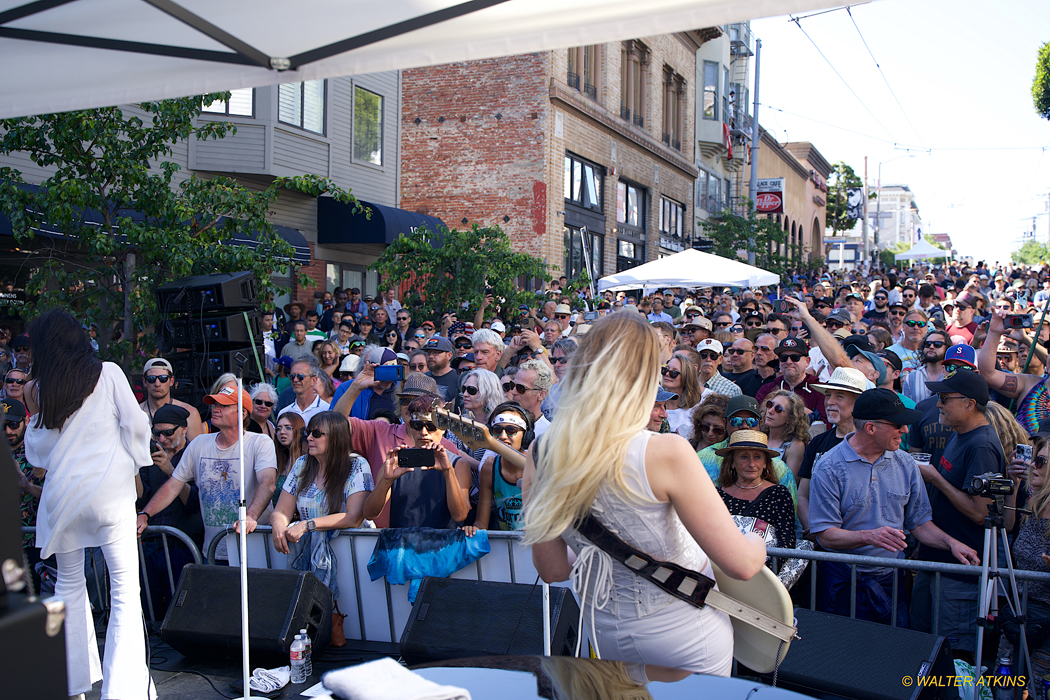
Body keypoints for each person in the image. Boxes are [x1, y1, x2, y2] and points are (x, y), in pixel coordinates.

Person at [525, 311, 767, 678]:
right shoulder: (665, 451)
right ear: (643, 375)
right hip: (683, 631)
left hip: (606, 630)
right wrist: (757, 539)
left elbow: (552, 568)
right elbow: (744, 564)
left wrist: (599, 548)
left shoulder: (540, 452)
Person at [24, 310, 155, 699]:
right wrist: (132, 460)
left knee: (67, 587)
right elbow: (136, 425)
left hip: (62, 499)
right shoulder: (109, 372)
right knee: (124, 592)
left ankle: (72, 686)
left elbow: (39, 454)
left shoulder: (37, 387)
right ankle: (122, 691)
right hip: (110, 496)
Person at [809, 388, 978, 626]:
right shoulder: (829, 467)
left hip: (892, 580)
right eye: (898, 425)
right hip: (843, 581)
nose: (905, 430)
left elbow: (919, 524)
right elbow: (825, 536)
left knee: (893, 654)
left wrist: (951, 544)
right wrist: (870, 536)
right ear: (871, 428)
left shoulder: (906, 463)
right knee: (846, 655)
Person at [911, 369, 1005, 659]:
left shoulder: (981, 444)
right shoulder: (960, 434)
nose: (938, 404)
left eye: (944, 398)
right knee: (923, 648)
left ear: (969, 404)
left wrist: (936, 479)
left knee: (953, 658)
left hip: (961, 572)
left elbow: (981, 514)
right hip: (937, 559)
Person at [137, 381, 278, 563]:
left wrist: (250, 517)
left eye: (224, 405)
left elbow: (268, 482)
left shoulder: (260, 442)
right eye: (215, 405)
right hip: (213, 551)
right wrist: (145, 514)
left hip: (253, 549)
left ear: (242, 413)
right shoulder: (200, 443)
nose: (215, 409)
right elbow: (173, 485)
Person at [270, 412, 373, 599]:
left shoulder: (357, 464)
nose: (309, 438)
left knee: (350, 616)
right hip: (312, 553)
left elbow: (354, 517)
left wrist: (308, 524)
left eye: (316, 434)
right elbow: (282, 510)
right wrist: (278, 524)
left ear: (335, 438)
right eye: (308, 432)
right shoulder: (302, 464)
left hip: (353, 558)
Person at [362, 394, 471, 528]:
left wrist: (448, 472)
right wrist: (386, 481)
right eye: (417, 425)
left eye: (431, 426)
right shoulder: (397, 462)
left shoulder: (457, 464)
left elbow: (460, 515)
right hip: (402, 544)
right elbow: (370, 514)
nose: (424, 432)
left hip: (444, 545)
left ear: (443, 429)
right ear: (409, 426)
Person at [136, 404, 202, 613]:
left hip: (183, 544)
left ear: (183, 429)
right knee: (150, 609)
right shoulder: (151, 455)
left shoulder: (195, 453)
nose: (162, 439)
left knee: (182, 609)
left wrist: (171, 471)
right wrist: (134, 468)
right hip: (153, 544)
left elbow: (193, 502)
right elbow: (141, 498)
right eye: (157, 433)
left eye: (167, 432)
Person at [796, 367, 867, 533]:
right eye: (828, 395)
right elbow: (802, 495)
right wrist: (815, 530)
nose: (829, 402)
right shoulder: (817, 443)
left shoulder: (870, 445)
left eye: (839, 396)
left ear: (858, 403)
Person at [715, 430, 797, 573]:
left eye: (757, 457)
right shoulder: (717, 495)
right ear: (732, 463)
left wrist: (762, 575)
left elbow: (787, 542)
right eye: (744, 457)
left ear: (765, 463)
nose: (752, 464)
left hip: (764, 575)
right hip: (722, 572)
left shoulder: (778, 495)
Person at [467, 402, 535, 532]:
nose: (503, 436)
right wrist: (472, 530)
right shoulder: (490, 468)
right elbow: (481, 522)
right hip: (505, 545)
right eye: (497, 430)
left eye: (511, 430)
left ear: (526, 436)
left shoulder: (539, 464)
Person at [13, 398, 47, 594]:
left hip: (35, 545)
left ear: (25, 422)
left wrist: (25, 486)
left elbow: (55, 498)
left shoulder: (38, 454)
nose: (8, 431)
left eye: (12, 424)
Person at [755, 337, 828, 423]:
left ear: (807, 361)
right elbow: (758, 422)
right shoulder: (767, 390)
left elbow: (825, 426)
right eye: (783, 357)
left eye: (795, 357)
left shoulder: (820, 390)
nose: (788, 362)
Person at [138, 357, 204, 441]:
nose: (157, 384)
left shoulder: (190, 413)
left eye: (163, 378)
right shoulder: (136, 412)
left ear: (171, 381)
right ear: (144, 382)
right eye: (151, 379)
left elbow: (196, 451)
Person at [761, 391, 810, 478]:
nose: (770, 411)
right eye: (770, 404)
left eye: (778, 409)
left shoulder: (795, 446)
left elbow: (790, 484)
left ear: (791, 418)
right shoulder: (759, 436)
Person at [661, 352, 706, 437]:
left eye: (674, 373)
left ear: (686, 377)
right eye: (665, 370)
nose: (667, 374)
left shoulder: (697, 409)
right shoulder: (653, 403)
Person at [902, 329, 949, 405]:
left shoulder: (952, 376)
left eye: (937, 344)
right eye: (928, 344)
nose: (931, 347)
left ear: (947, 348)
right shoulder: (911, 378)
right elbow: (906, 407)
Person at [507, 359, 553, 436]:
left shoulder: (548, 434)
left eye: (520, 388)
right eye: (512, 385)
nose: (513, 392)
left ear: (541, 395)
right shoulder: (501, 426)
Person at [279, 357, 331, 422]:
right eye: (292, 376)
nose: (295, 380)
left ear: (313, 380)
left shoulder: (327, 410)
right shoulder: (284, 413)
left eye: (300, 376)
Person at [273, 412, 307, 505]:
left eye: (288, 427)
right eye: (278, 428)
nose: (282, 432)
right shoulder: (276, 459)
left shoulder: (306, 461)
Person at [886, 310, 927, 375]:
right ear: (903, 326)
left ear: (926, 328)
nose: (916, 327)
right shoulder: (889, 352)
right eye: (911, 323)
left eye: (921, 324)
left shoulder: (931, 352)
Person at [423, 335, 461, 403]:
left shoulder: (458, 379)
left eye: (436, 352)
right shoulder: (422, 378)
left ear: (449, 355)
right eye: (429, 353)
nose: (431, 356)